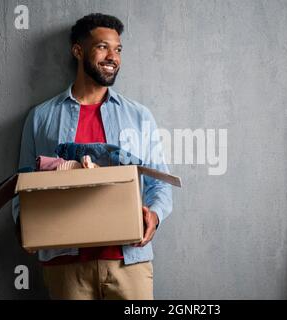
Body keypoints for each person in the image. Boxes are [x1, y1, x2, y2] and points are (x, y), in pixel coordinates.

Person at [12, 13, 172, 300]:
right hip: (65, 265)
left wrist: (155, 216)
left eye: (118, 49)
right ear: (78, 50)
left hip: (129, 261)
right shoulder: (40, 118)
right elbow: (21, 185)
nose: (113, 56)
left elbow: (160, 182)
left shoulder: (139, 116)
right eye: (102, 47)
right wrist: (23, 224)